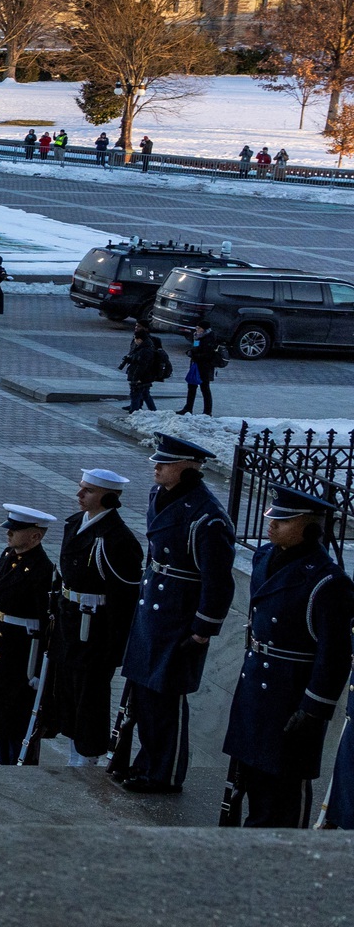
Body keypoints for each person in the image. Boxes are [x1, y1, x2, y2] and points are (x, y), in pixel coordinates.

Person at [219, 485, 351, 827]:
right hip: (256, 690)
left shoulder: (327, 582)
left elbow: (334, 655)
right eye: (272, 517)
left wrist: (313, 710)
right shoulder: (265, 558)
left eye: (283, 520)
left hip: (289, 696)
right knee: (248, 781)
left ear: (308, 528)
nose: (272, 525)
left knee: (280, 793)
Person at [116, 437, 235, 794]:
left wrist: (201, 630)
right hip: (154, 606)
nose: (156, 467)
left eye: (164, 463)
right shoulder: (161, 496)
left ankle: (165, 774)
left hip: (178, 616)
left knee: (166, 699)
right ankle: (146, 762)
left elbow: (218, 582)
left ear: (188, 467)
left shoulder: (207, 516)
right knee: (146, 695)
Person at [40, 469, 143, 766]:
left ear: (108, 497)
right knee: (69, 691)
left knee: (90, 696)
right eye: (81, 488)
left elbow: (124, 598)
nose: (79, 495)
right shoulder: (76, 524)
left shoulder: (117, 539)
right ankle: (76, 750)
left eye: (88, 491)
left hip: (95, 631)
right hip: (69, 622)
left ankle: (87, 756)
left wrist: (115, 647)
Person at [0, 504, 58, 764]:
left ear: (35, 536)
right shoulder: (8, 555)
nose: (9, 534)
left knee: (17, 718)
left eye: (16, 530)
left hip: (22, 651)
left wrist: (37, 671)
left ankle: (18, 766)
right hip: (2, 641)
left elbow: (45, 623)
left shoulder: (42, 569)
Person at [119, 328, 169, 413]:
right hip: (146, 377)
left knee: (135, 394)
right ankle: (153, 411)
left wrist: (136, 378)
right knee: (145, 394)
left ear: (140, 339)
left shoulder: (145, 350)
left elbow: (141, 366)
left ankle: (134, 412)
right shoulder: (146, 347)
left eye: (136, 339)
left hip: (142, 377)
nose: (135, 341)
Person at [180, 327, 221, 415]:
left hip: (204, 368)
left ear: (203, 329)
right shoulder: (198, 337)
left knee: (205, 388)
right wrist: (191, 352)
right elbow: (195, 348)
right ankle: (188, 408)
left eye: (198, 328)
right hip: (196, 366)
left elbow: (207, 355)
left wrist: (194, 355)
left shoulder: (209, 339)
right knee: (192, 387)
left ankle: (207, 411)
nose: (196, 330)